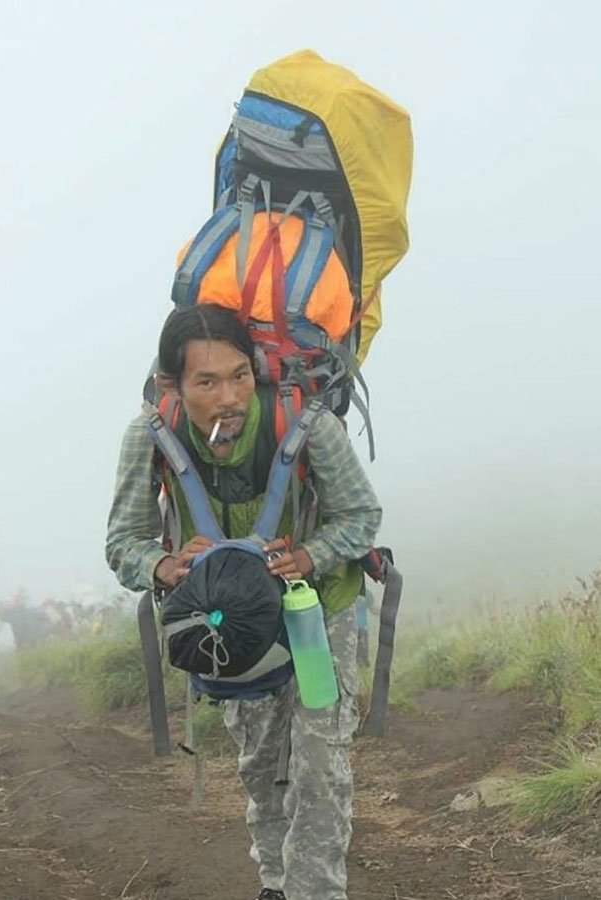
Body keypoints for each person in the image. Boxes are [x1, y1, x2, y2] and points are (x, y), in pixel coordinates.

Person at [106, 303, 382, 900]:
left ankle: (315, 892)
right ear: (170, 385)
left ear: (255, 369)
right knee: (262, 768)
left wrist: (310, 556)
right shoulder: (150, 435)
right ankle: (277, 882)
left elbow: (361, 517)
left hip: (314, 612)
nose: (229, 396)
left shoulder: (304, 424)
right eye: (206, 381)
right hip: (227, 626)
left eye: (238, 375)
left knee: (319, 764)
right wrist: (163, 564)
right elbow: (122, 542)